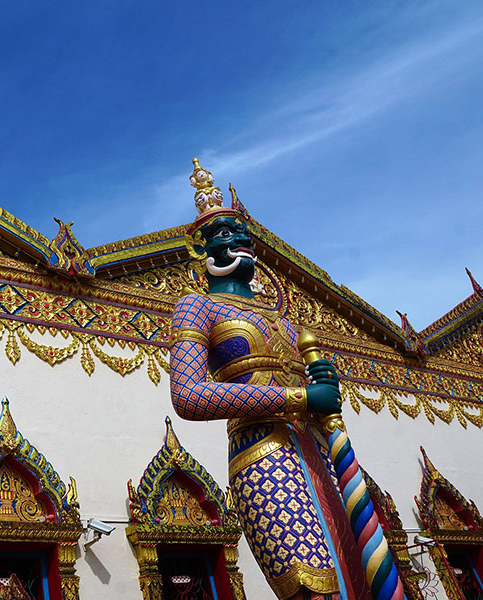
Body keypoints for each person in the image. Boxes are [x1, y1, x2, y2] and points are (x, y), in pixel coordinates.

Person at [170, 159, 368, 600]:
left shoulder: (283, 320)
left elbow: (321, 397)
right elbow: (189, 395)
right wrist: (299, 395)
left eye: (241, 232)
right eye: (224, 234)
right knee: (314, 586)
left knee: (361, 574)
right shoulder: (195, 307)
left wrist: (325, 388)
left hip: (320, 450)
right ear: (201, 253)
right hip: (263, 453)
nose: (240, 238)